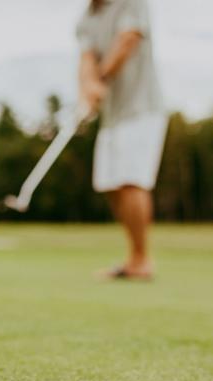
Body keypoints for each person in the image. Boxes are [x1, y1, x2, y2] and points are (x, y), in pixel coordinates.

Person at [77, 0, 166, 280]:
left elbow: (128, 40)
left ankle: (142, 260)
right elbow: (86, 59)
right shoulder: (87, 17)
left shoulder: (132, 2)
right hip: (112, 116)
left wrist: (100, 79)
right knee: (112, 185)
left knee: (131, 181)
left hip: (142, 109)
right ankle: (133, 257)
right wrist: (86, 89)